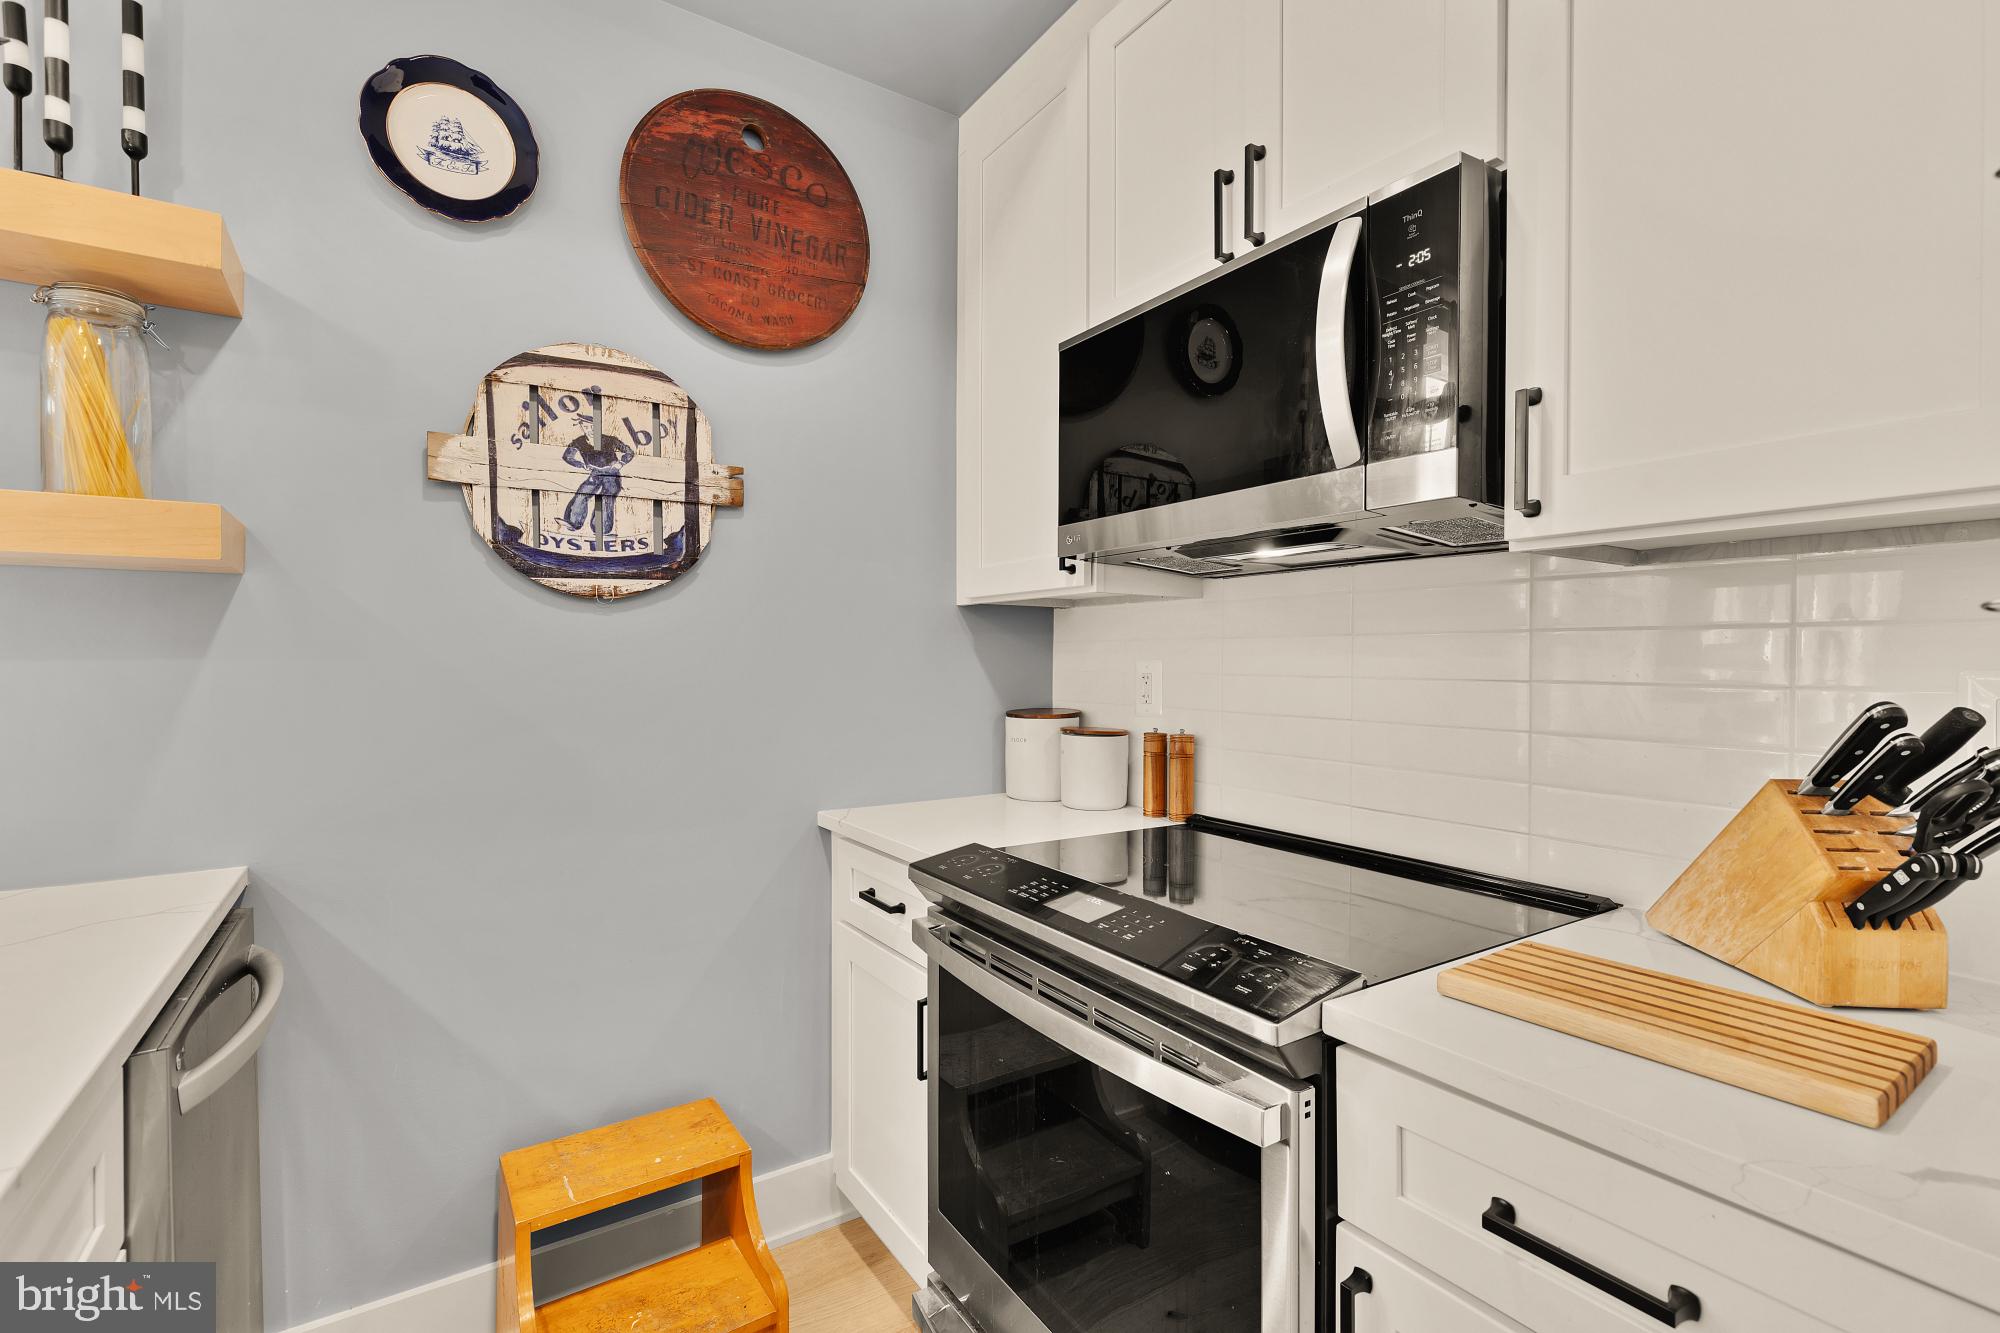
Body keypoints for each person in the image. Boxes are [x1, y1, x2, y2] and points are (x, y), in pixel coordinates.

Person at [560, 432, 635, 536]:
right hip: (595, 473)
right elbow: (567, 456)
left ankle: (602, 528)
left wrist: (621, 463)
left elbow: (629, 452)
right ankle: (573, 522)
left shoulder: (610, 439)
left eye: (592, 427)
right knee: (583, 493)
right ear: (581, 427)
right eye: (586, 427)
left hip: (611, 473)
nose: (590, 430)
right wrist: (581, 465)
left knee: (606, 498)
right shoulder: (579, 441)